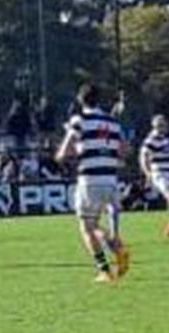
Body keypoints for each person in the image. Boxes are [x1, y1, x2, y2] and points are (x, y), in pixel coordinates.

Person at [55, 83, 130, 282]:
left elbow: (64, 152)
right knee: (94, 224)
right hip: (111, 179)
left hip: (90, 180)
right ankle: (118, 248)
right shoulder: (112, 122)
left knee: (87, 226)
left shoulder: (80, 120)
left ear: (81, 100)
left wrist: (69, 153)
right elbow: (124, 150)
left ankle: (105, 270)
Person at [140, 115, 169, 236]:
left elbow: (168, 155)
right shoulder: (151, 139)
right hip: (160, 172)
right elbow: (143, 156)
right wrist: (148, 173)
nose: (166, 126)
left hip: (168, 172)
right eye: (163, 124)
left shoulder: (164, 139)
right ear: (157, 126)